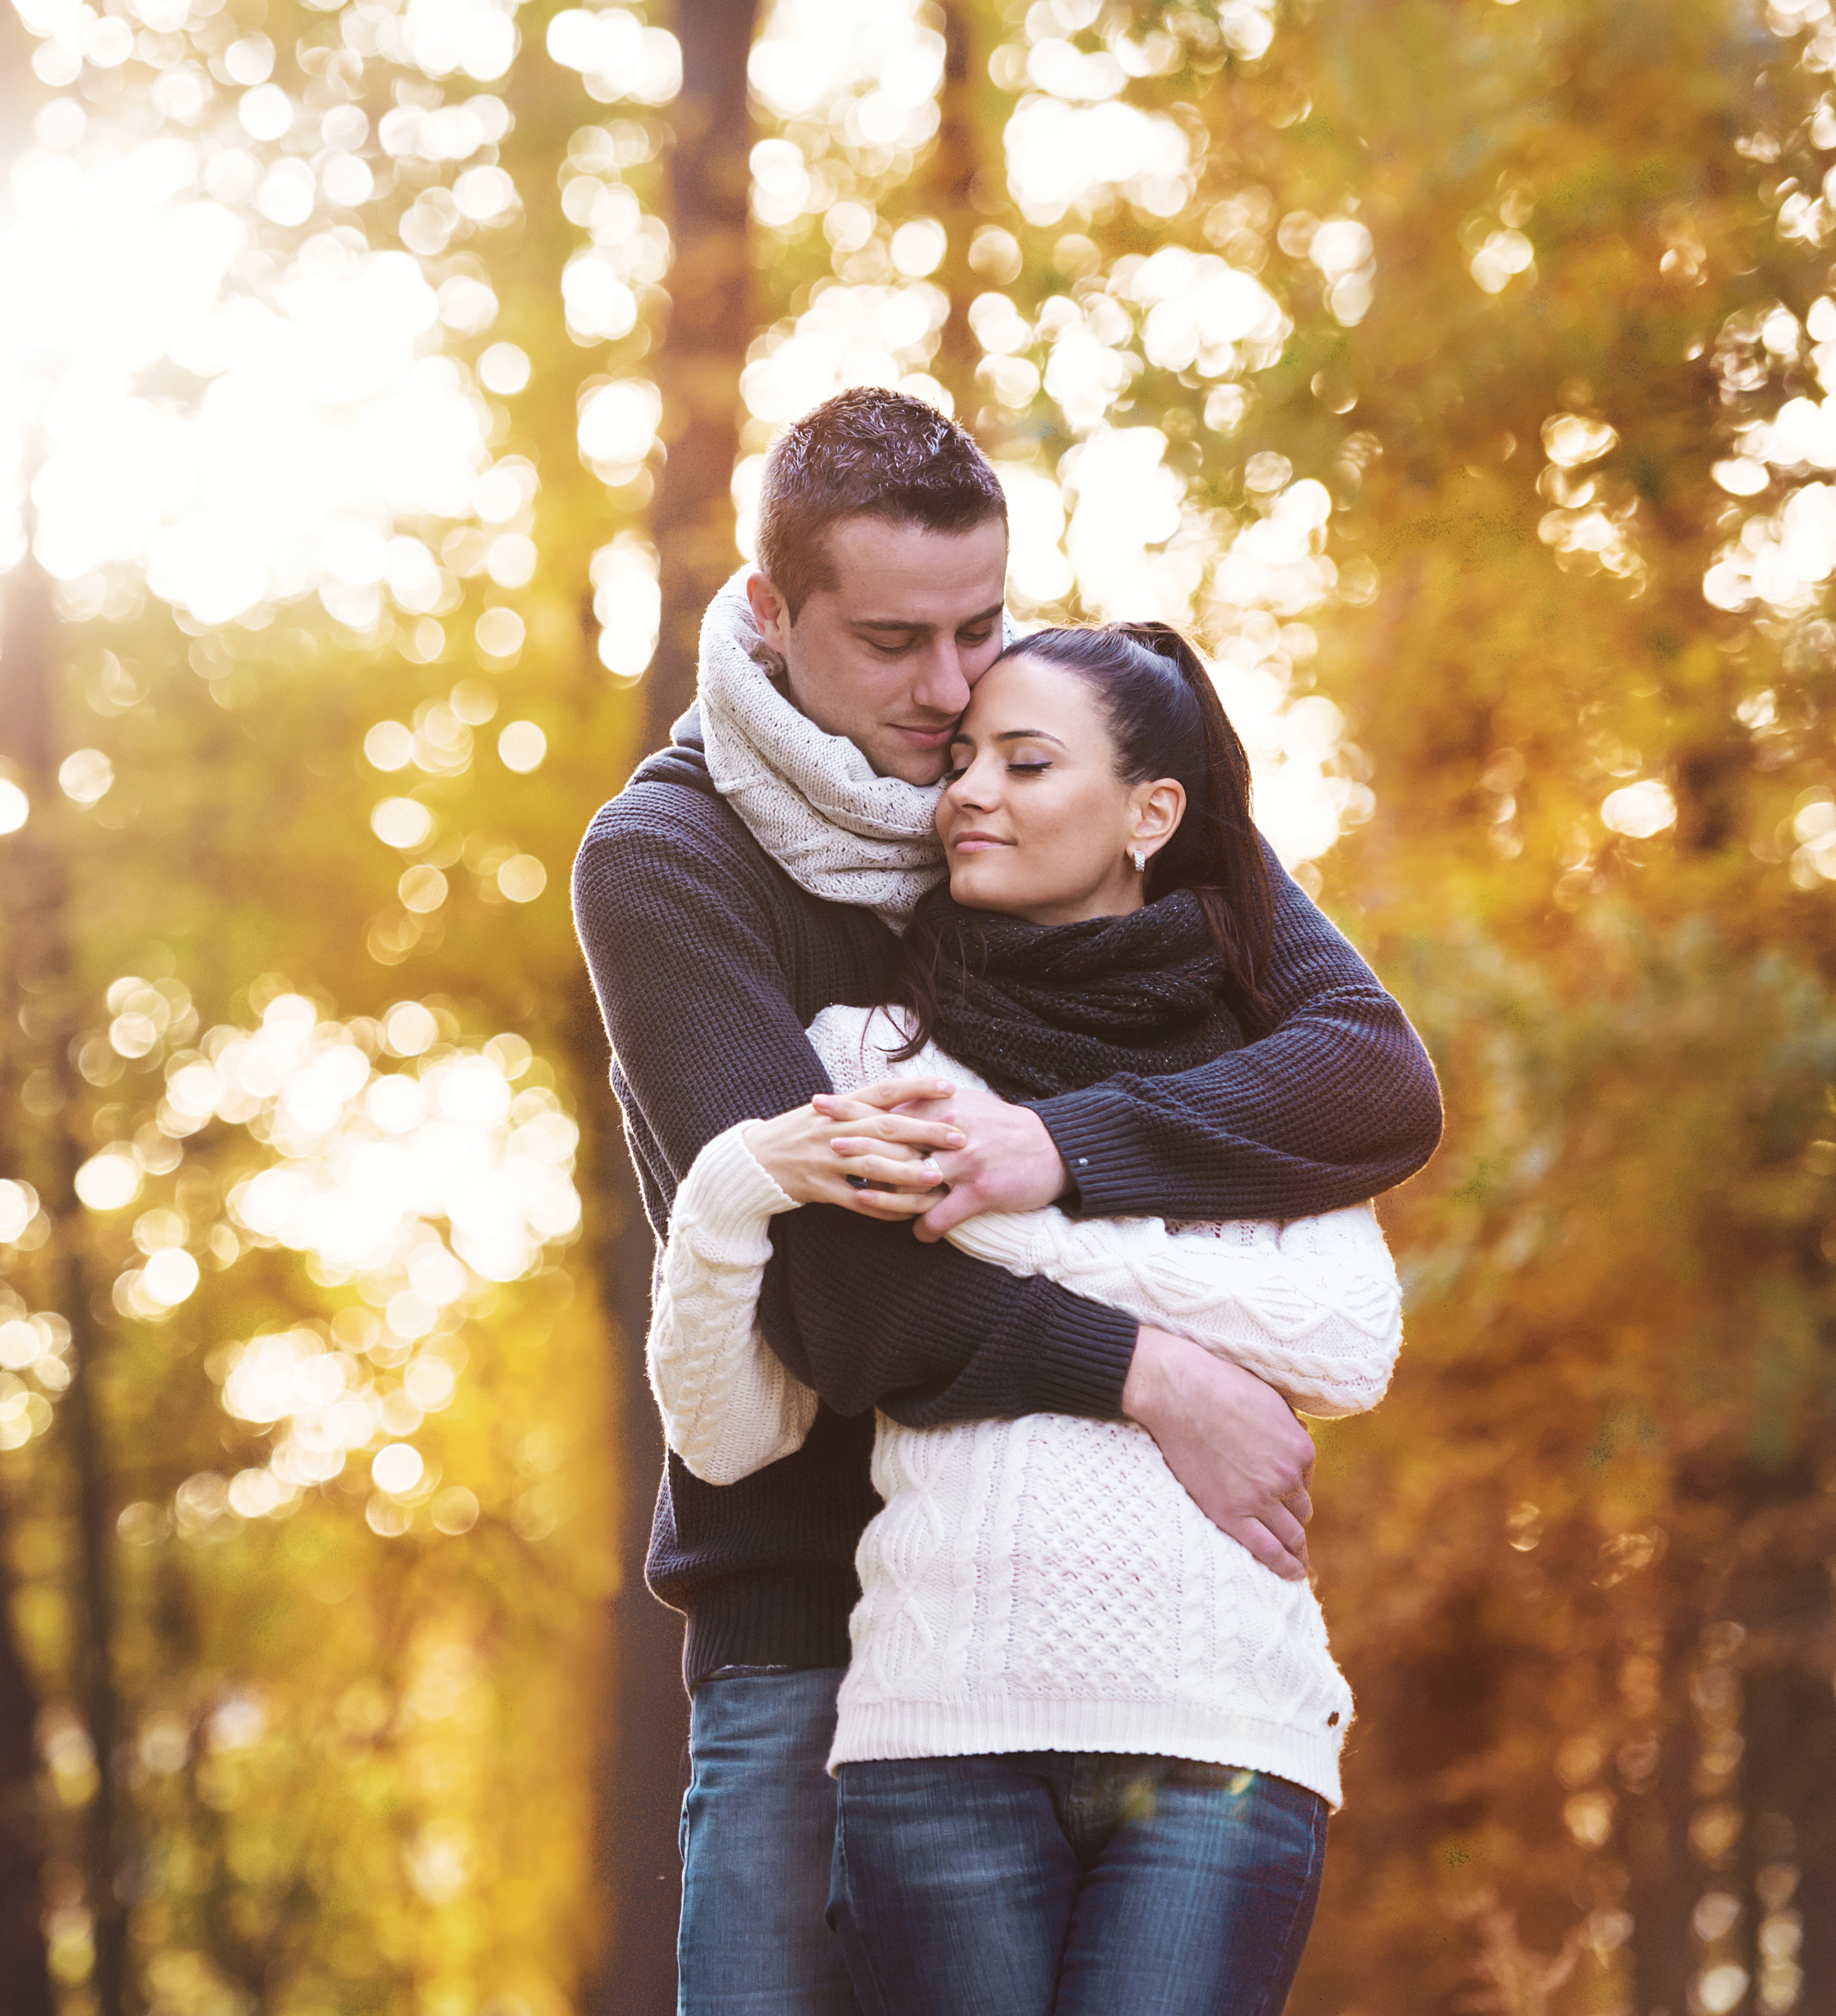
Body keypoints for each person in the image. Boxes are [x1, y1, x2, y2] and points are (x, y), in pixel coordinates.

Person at [569, 386, 1441, 2014]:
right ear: (771, 614)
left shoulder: (1059, 764)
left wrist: (1063, 1148)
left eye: (980, 625)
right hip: (810, 1614)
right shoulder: (670, 858)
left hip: (1105, 1619)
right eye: (894, 641)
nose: (950, 689)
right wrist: (1154, 1372)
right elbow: (830, 1295)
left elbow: (1373, 1076)